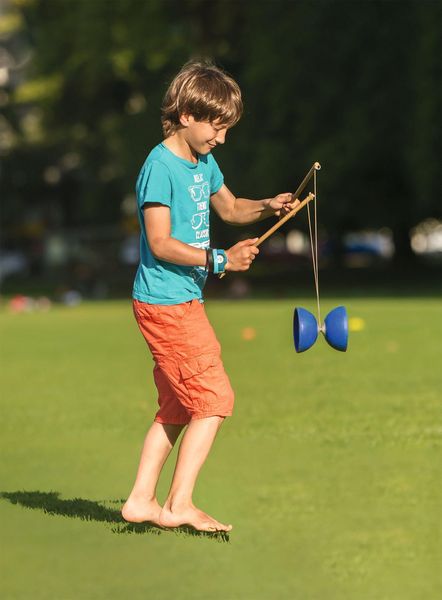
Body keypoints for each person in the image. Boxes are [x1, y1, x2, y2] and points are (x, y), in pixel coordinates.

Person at [122, 60, 298, 532]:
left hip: (182, 300)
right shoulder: (160, 167)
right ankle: (179, 505)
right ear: (185, 115)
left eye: (226, 129)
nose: (220, 138)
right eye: (215, 127)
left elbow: (232, 207)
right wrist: (219, 261)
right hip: (166, 303)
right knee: (215, 399)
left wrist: (267, 206)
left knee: (180, 405)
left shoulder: (204, 162)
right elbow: (159, 242)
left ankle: (141, 500)